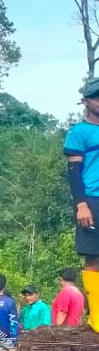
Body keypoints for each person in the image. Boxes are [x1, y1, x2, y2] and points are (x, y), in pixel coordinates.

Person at [63, 77, 99, 330]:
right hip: (93, 199)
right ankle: (97, 318)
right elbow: (74, 171)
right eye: (96, 96)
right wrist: (81, 205)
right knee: (94, 259)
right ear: (86, 100)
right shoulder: (79, 132)